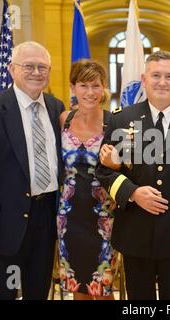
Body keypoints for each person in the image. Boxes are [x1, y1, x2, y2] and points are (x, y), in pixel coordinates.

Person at [96, 51, 170, 300]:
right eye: (156, 75)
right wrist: (133, 192)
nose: (162, 82)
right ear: (144, 79)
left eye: (169, 76)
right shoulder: (122, 120)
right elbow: (105, 169)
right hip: (135, 232)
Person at [0, 41, 64, 300]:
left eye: (42, 67)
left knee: (38, 290)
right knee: (3, 291)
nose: (36, 72)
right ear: (11, 69)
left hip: (45, 217)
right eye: (28, 66)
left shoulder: (56, 108)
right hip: (4, 225)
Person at [57, 59, 119, 300]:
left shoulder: (113, 122)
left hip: (104, 216)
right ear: (73, 88)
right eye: (84, 85)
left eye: (96, 85)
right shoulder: (64, 119)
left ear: (104, 87)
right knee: (77, 286)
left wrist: (117, 164)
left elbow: (128, 167)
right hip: (69, 215)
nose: (90, 92)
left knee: (101, 288)